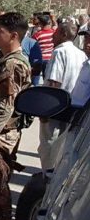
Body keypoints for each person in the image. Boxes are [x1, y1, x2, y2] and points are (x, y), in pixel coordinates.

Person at [0, 11, 33, 171]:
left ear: (13, 36)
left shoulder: (12, 65)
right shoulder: (5, 60)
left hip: (1, 136)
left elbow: (5, 106)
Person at [40, 20, 85, 168]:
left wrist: (45, 111)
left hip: (56, 106)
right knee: (62, 145)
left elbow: (54, 82)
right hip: (72, 107)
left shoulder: (59, 51)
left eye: (57, 32)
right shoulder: (81, 54)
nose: (53, 35)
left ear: (64, 34)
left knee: (48, 144)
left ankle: (46, 175)